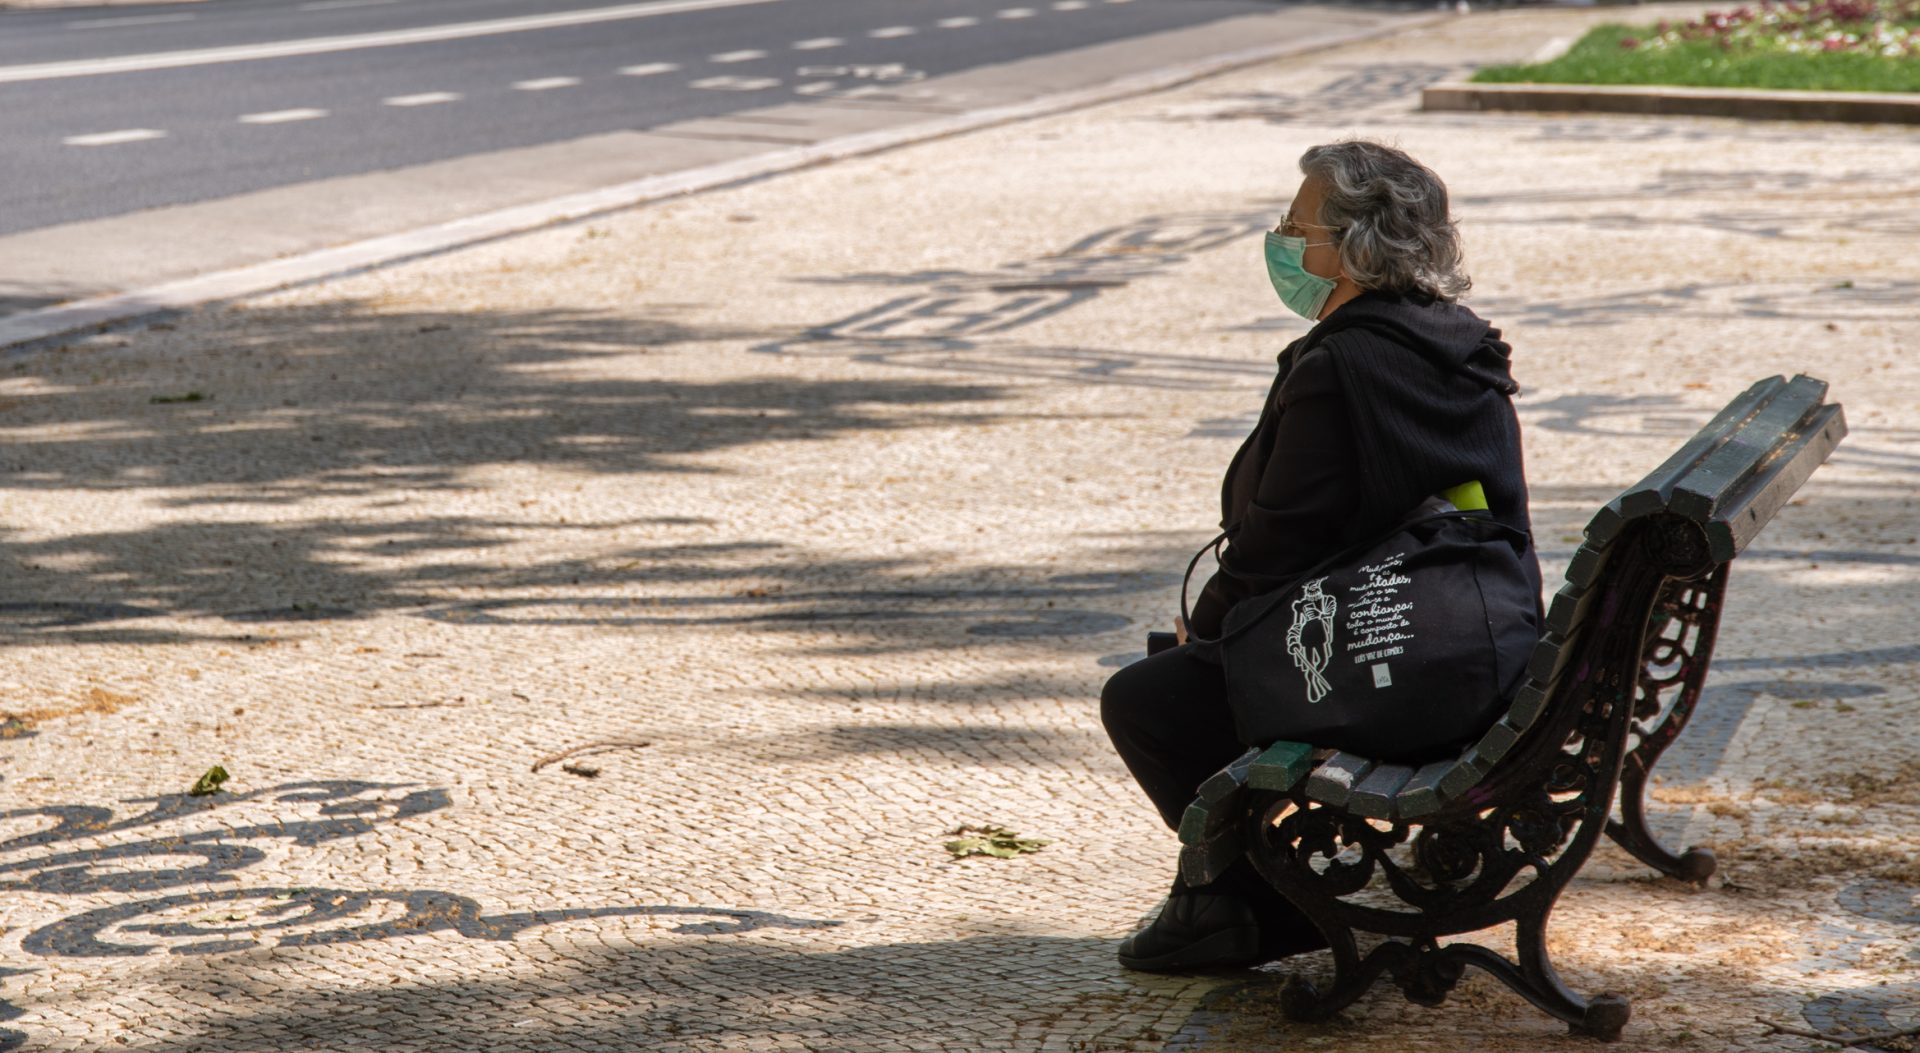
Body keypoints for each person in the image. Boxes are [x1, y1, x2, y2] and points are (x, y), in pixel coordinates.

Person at [1100, 140, 1542, 973]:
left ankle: (1265, 909)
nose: (1282, 242)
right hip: (1485, 647)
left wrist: (1204, 634)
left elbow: (1276, 544)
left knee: (1149, 698)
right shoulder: (1458, 343)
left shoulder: (1340, 365)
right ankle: (1219, 901)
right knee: (1196, 671)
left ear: (1349, 246)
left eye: (1294, 226)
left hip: (1403, 674)